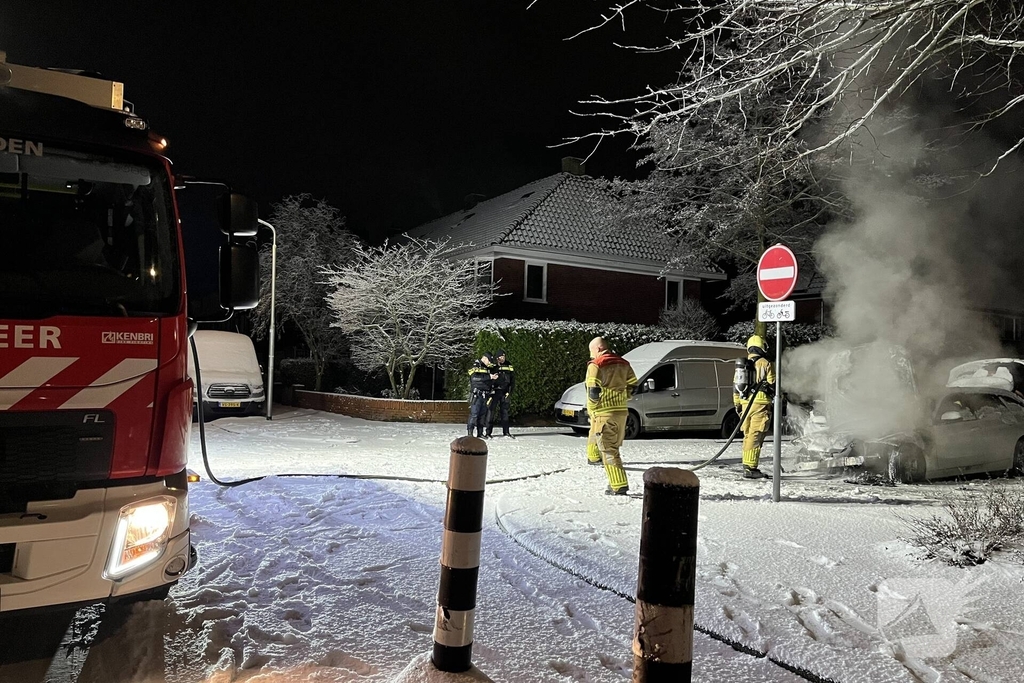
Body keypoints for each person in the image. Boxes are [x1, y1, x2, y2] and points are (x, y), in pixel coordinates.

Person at [585, 337, 638, 495]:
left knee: (609, 450)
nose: (591, 356)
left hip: (603, 412)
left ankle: (618, 485)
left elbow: (593, 392)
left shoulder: (596, 365)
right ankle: (593, 456)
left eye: (592, 352)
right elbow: (634, 386)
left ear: (599, 349)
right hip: (621, 413)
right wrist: (623, 397)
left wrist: (593, 408)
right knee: (599, 437)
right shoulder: (624, 364)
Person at [733, 334, 776, 479]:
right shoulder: (766, 363)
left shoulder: (742, 366)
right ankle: (751, 468)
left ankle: (747, 465)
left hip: (745, 404)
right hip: (761, 404)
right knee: (756, 434)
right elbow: (773, 384)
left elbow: (735, 387)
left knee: (747, 434)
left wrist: (738, 404)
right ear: (762, 347)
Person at [487, 349, 516, 438]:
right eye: (500, 357)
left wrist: (509, 392)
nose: (502, 358)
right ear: (497, 357)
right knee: (491, 412)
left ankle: (506, 432)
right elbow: (488, 379)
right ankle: (488, 432)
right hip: (494, 392)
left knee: (505, 412)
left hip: (504, 392)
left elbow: (512, 380)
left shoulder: (509, 365)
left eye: (503, 356)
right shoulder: (492, 366)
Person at [467, 353, 495, 438]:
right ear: (485, 358)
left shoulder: (487, 368)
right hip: (477, 394)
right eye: (489, 360)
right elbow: (475, 378)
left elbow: (487, 380)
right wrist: (489, 377)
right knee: (474, 414)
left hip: (485, 395)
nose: (489, 362)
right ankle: (470, 433)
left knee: (482, 415)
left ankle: (480, 433)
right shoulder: (475, 365)